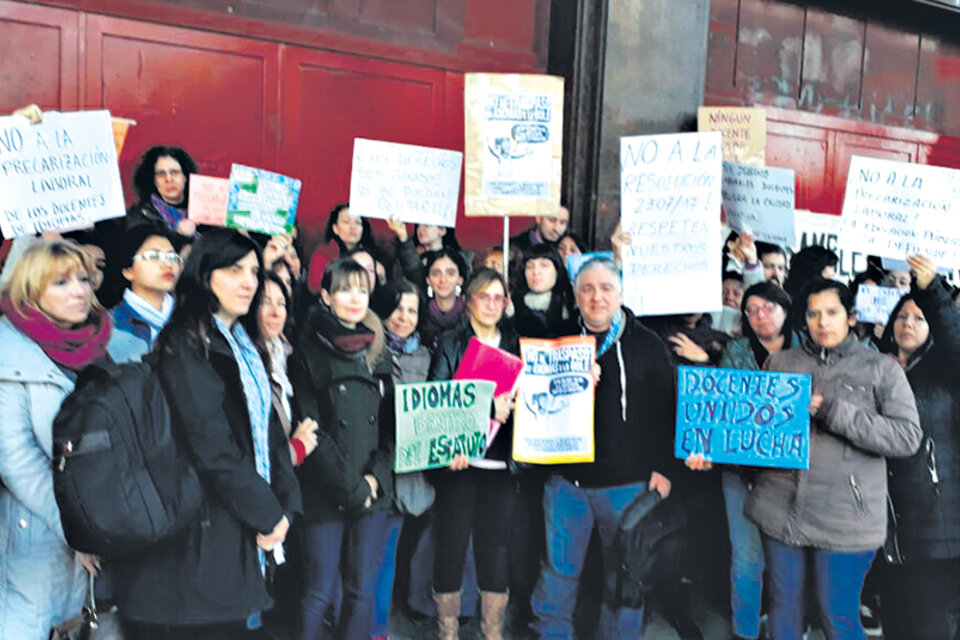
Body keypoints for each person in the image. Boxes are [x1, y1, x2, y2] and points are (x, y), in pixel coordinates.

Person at [114, 229, 302, 638]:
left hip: (235, 528)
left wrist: (287, 505)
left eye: (254, 270)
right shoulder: (185, 343)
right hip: (196, 541)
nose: (249, 281)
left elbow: (268, 432)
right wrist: (269, 513)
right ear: (204, 274)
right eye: (234, 270)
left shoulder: (245, 345)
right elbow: (212, 447)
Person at [745, 278, 922, 640]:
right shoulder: (781, 362)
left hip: (846, 518)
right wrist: (713, 453)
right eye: (813, 314)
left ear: (850, 317)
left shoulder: (881, 369)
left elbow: (907, 437)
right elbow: (757, 435)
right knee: (783, 606)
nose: (822, 322)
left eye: (831, 313)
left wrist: (833, 411)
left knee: (836, 614)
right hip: (780, 508)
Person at [530, 257, 677, 640]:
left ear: (621, 294)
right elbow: (532, 403)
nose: (597, 297)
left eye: (606, 288)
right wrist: (564, 382)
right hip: (566, 483)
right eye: (587, 289)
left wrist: (665, 468)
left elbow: (668, 411)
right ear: (576, 296)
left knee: (624, 577)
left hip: (627, 485)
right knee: (557, 574)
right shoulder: (555, 339)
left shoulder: (648, 345)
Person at [0, 239, 109, 639]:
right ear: (31, 292)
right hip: (36, 530)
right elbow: (17, 459)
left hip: (97, 530)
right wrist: (76, 528)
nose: (79, 289)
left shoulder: (103, 349)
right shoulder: (9, 353)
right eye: (61, 283)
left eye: (82, 278)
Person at [290, 257, 395, 640]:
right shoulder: (307, 353)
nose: (355, 298)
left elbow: (393, 427)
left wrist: (375, 480)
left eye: (363, 290)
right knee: (318, 593)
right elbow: (310, 427)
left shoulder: (378, 353)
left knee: (361, 592)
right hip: (325, 491)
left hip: (374, 491)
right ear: (326, 296)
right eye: (345, 289)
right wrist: (354, 489)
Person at [688, 282, 796, 640]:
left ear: (785, 309)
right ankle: (744, 632)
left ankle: (787, 630)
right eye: (752, 310)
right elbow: (719, 410)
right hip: (741, 475)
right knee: (747, 559)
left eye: (768, 307)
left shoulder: (808, 350)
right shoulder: (736, 349)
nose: (760, 315)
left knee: (788, 561)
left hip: (794, 477)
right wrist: (705, 447)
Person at [429, 268, 518, 640]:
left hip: (502, 465)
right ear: (469, 302)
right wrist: (486, 411)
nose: (492, 304)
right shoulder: (451, 343)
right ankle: (447, 632)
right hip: (460, 464)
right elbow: (436, 402)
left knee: (495, 551)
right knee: (450, 546)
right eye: (485, 296)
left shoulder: (518, 344)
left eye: (499, 298)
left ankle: (491, 631)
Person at [875, 255, 960, 640]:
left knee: (928, 624)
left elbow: (953, 334)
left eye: (918, 318)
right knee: (896, 619)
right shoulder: (875, 368)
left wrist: (930, 290)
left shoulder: (946, 370)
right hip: (885, 523)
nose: (908, 323)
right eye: (902, 317)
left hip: (935, 521)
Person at [370, 278, 432, 640]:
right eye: (396, 308)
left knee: (389, 557)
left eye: (412, 310)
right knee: (366, 558)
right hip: (373, 469)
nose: (403, 317)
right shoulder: (368, 350)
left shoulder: (427, 355)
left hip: (411, 476)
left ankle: (377, 629)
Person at [257, 272, 318, 467]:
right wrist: (295, 450)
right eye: (265, 303)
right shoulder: (242, 365)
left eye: (281, 304)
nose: (275, 312)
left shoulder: (290, 358)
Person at [108, 225, 181, 363]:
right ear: (128, 271)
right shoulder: (110, 327)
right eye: (154, 256)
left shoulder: (194, 316)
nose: (167, 264)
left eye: (172, 256)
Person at [127, 145, 200, 236]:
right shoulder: (142, 216)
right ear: (153, 181)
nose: (168, 179)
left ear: (185, 177)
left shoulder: (202, 210)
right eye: (161, 174)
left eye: (174, 172)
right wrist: (179, 235)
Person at [307, 204, 375, 293]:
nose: (353, 227)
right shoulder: (322, 255)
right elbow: (315, 289)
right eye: (346, 222)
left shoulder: (370, 256)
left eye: (357, 223)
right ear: (335, 228)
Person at [512, 243, 576, 339]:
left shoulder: (571, 305)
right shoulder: (512, 307)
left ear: (557, 270)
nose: (536, 272)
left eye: (544, 265)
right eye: (529, 266)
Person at [420, 248, 469, 347]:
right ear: (428, 280)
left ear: (460, 279)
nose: (443, 280)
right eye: (436, 273)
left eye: (450, 273)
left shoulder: (470, 312)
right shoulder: (420, 313)